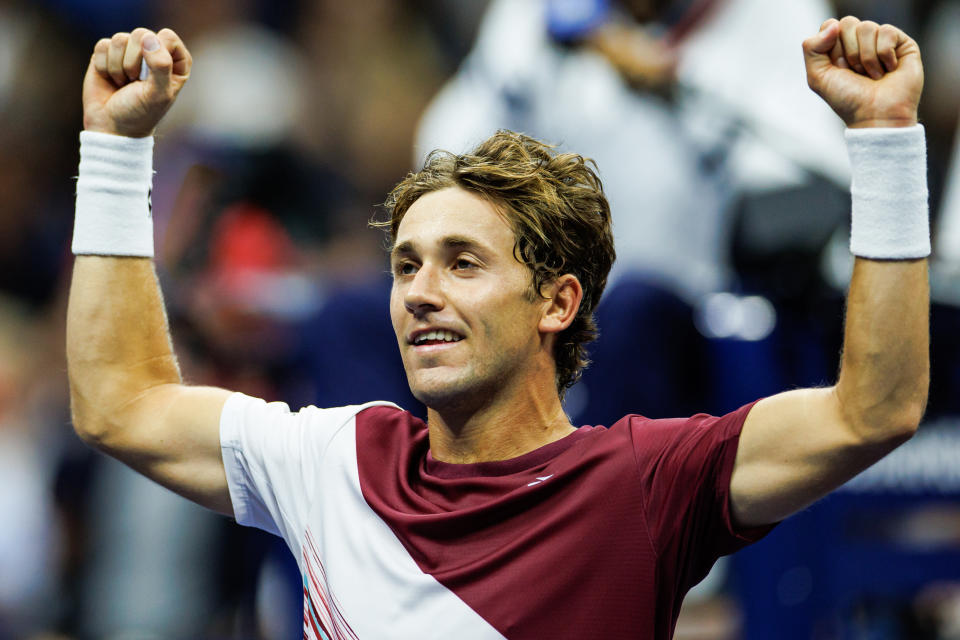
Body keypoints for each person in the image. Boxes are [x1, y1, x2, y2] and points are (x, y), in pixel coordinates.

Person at [66, 18, 930, 640]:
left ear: (556, 303)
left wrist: (886, 141)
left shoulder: (644, 483)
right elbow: (122, 404)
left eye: (463, 263)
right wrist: (113, 149)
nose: (420, 294)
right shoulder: (330, 464)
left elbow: (873, 411)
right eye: (406, 266)